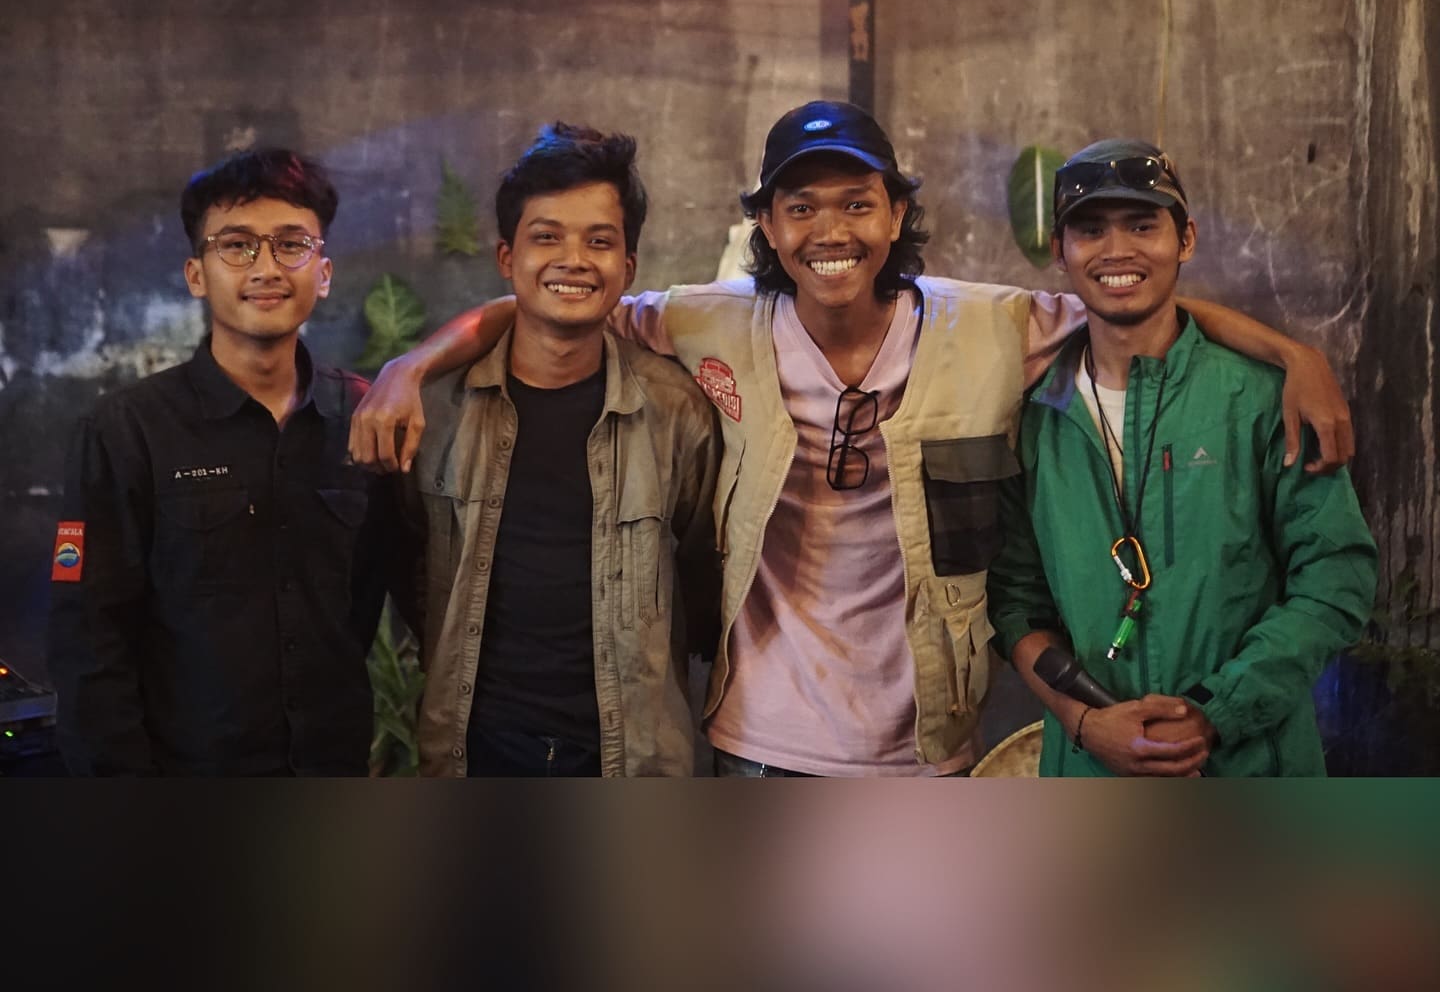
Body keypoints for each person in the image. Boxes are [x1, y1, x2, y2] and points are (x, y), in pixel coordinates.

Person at [350, 103, 1355, 777]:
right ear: (767, 226)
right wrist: (414, 363)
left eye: (857, 204)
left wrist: (1292, 355)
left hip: (926, 749)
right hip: (755, 743)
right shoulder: (708, 322)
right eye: (801, 208)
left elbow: (1127, 295)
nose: (830, 231)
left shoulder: (987, 326)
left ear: (897, 212)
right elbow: (558, 298)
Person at [988, 139, 1377, 776]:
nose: (1117, 250)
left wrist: (1216, 711)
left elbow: (1335, 576)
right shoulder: (1032, 413)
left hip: (1252, 766)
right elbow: (1014, 601)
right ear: (1060, 250)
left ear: (1186, 239)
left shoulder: (1262, 399)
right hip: (1091, 769)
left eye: (1143, 225)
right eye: (1090, 229)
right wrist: (1085, 723)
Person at [48, 149, 408, 775]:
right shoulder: (126, 430)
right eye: (237, 246)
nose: (266, 267)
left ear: (323, 273)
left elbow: (399, 590)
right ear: (196, 274)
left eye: (291, 245)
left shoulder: (364, 416)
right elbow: (87, 642)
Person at [408, 124, 721, 777]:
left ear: (628, 268)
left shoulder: (675, 412)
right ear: (507, 257)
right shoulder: (438, 411)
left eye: (599, 241)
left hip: (628, 761)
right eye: (546, 237)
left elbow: (703, 577)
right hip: (476, 751)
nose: (573, 259)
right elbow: (410, 571)